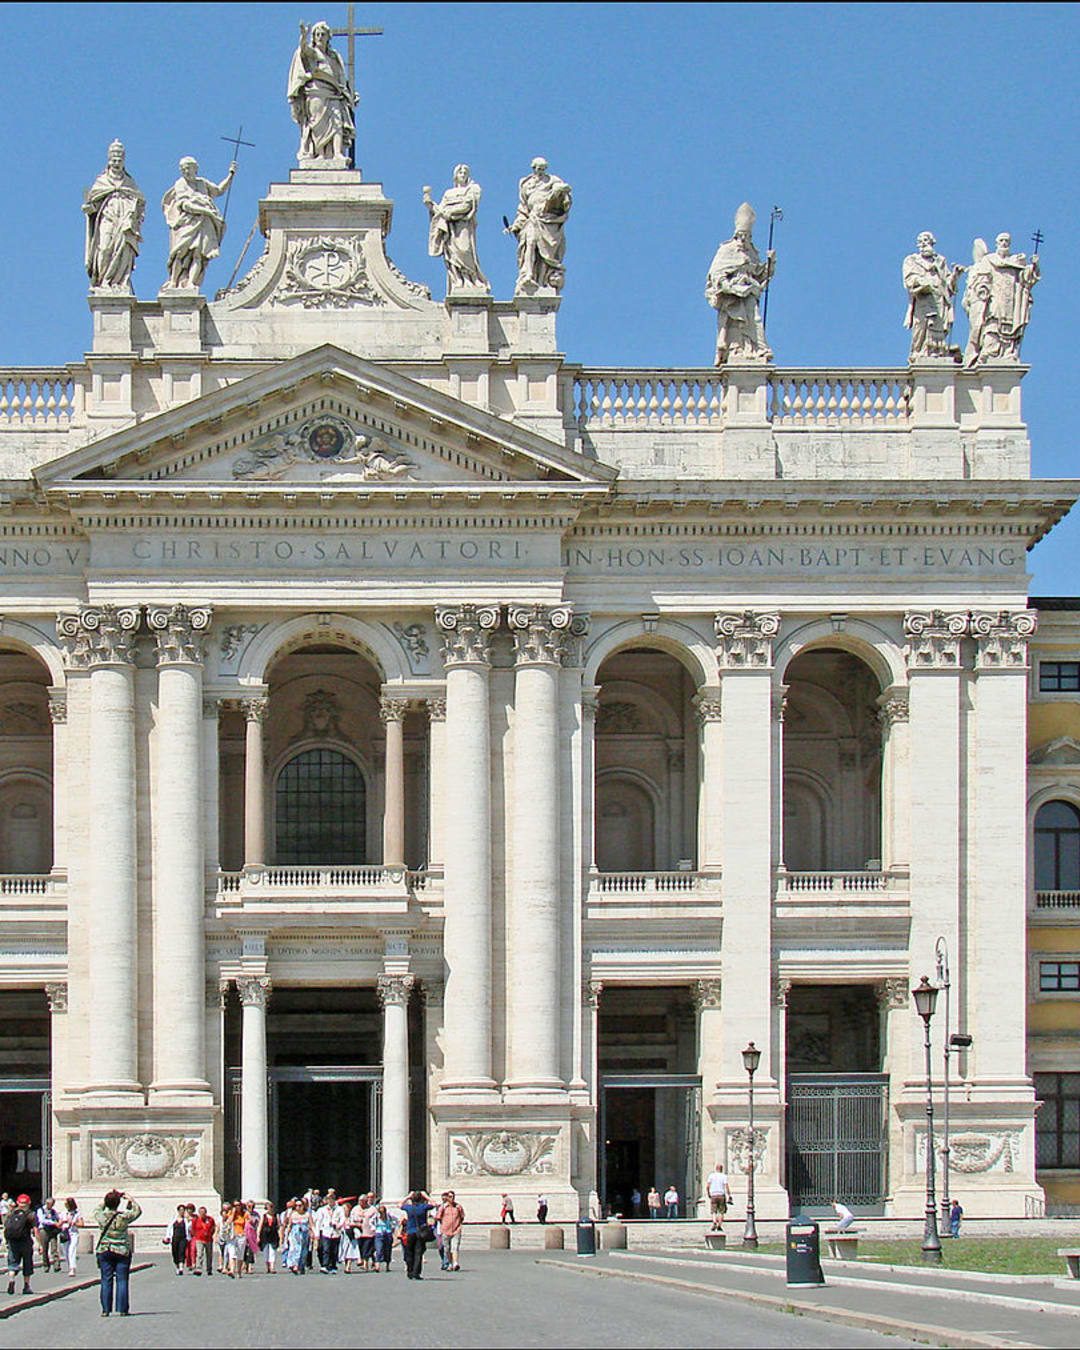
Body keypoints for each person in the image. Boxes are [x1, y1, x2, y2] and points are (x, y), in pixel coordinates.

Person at [705, 202, 775, 364]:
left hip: (749, 290)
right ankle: (736, 349)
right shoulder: (726, 250)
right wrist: (728, 286)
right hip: (732, 295)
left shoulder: (751, 252)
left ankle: (759, 349)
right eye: (742, 235)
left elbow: (761, 275)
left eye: (747, 236)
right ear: (737, 234)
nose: (744, 239)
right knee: (736, 325)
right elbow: (716, 273)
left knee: (755, 319)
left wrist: (771, 262)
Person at [161, 156, 235, 290]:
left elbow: (219, 190)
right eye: (183, 169)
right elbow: (185, 205)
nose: (186, 171)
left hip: (204, 223)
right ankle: (173, 281)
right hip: (188, 222)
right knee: (180, 252)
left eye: (188, 168)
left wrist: (230, 175)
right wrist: (207, 211)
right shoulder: (180, 184)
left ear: (195, 169)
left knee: (198, 254)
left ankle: (191, 283)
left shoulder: (202, 183)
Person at [288, 20, 355, 166]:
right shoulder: (313, 53)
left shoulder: (333, 57)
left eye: (323, 34)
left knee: (337, 123)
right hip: (316, 92)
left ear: (328, 37)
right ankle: (320, 154)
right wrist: (303, 36)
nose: (320, 36)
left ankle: (337, 154)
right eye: (317, 34)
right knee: (317, 124)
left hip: (334, 92)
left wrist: (348, 95)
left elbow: (341, 78)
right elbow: (303, 49)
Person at [82, 140, 145, 291]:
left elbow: (140, 200)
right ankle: (103, 281)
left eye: (119, 160)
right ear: (109, 162)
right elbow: (95, 201)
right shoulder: (102, 181)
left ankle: (118, 281)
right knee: (104, 248)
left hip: (124, 220)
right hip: (108, 217)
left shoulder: (129, 182)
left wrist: (135, 214)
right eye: (114, 160)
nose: (116, 163)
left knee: (122, 247)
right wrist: (91, 208)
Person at [507, 157, 573, 293]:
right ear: (533, 168)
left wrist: (561, 194)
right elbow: (523, 209)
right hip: (532, 219)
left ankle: (541, 279)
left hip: (548, 220)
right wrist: (516, 225)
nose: (541, 171)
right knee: (530, 242)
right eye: (539, 168)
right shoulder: (525, 184)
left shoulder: (553, 180)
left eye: (543, 169)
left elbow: (565, 194)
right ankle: (528, 274)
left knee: (543, 255)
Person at [424, 165, 489, 295]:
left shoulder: (472, 190)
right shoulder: (448, 193)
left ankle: (470, 279)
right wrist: (430, 205)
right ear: (455, 175)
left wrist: (450, 213)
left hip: (463, 225)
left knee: (465, 250)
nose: (463, 174)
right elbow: (440, 211)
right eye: (460, 172)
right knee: (452, 254)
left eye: (465, 172)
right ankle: (459, 279)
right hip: (450, 228)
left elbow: (467, 206)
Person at [902, 230, 964, 360]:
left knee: (938, 328)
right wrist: (922, 282)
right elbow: (909, 279)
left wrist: (955, 275)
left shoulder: (940, 261)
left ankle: (936, 352)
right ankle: (919, 352)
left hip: (939, 298)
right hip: (923, 299)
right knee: (921, 328)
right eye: (921, 241)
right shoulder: (911, 260)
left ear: (932, 242)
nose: (924, 243)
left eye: (927, 240)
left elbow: (948, 284)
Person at [93, 1190, 141, 1317]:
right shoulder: (122, 1217)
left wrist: (107, 1199)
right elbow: (137, 1212)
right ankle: (122, 1309)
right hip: (121, 1250)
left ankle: (105, 1309)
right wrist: (131, 1199)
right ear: (118, 1204)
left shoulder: (102, 1216)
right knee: (122, 1280)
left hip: (105, 1249)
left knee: (106, 1280)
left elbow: (96, 1210)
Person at [4, 1193, 37, 1296]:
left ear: (18, 1202)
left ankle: (11, 1279)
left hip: (13, 1242)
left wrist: (6, 1241)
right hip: (25, 1241)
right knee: (27, 1264)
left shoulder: (11, 1213)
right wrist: (39, 1244)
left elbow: (6, 1228)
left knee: (12, 1262)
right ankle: (26, 1286)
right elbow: (35, 1230)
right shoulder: (30, 1214)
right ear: (29, 1202)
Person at [400, 1191, 435, 1281]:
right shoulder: (423, 1207)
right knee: (418, 1253)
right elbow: (434, 1204)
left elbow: (399, 1204)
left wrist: (408, 1196)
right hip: (420, 1233)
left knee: (409, 1252)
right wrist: (426, 1196)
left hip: (410, 1232)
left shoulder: (409, 1208)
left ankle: (410, 1271)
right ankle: (416, 1273)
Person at [436, 1191, 465, 1273]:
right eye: (449, 1196)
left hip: (456, 1230)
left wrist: (459, 1225)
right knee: (447, 1249)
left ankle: (455, 1263)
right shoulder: (443, 1207)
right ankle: (450, 1263)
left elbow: (462, 1216)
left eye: (452, 1196)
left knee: (455, 1247)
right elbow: (438, 1217)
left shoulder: (458, 1207)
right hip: (445, 1230)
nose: (451, 1198)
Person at [36, 1197, 62, 1272]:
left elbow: (57, 1217)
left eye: (52, 1204)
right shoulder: (41, 1210)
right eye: (50, 1204)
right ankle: (46, 1265)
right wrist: (53, 1222)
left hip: (52, 1230)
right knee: (45, 1248)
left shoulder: (53, 1211)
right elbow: (42, 1220)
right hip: (44, 1230)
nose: (51, 1206)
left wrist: (59, 1221)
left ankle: (56, 1265)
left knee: (54, 1248)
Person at [705, 1164, 733, 1231]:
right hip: (721, 1195)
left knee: (713, 1211)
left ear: (716, 1169)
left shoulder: (711, 1176)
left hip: (713, 1195)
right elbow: (726, 1186)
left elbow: (707, 1186)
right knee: (721, 1211)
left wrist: (709, 1193)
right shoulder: (724, 1176)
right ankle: (719, 1225)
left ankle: (714, 1221)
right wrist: (729, 1195)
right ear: (722, 1169)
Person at [60, 1198, 82, 1277]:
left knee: (72, 1250)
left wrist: (73, 1222)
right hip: (65, 1233)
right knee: (66, 1251)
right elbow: (59, 1224)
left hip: (73, 1233)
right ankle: (70, 1266)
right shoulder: (63, 1213)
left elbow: (82, 1224)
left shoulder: (77, 1213)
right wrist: (63, 1221)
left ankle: (72, 1268)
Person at [191, 1205, 215, 1276]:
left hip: (208, 1239)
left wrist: (211, 1234)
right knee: (199, 1254)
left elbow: (213, 1228)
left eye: (204, 1212)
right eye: (201, 1212)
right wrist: (196, 1236)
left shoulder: (210, 1219)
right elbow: (193, 1230)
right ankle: (198, 1268)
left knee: (209, 1255)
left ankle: (209, 1269)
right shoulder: (195, 1220)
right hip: (199, 1239)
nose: (202, 1214)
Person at [165, 1204, 189, 1275]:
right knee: (175, 1253)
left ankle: (181, 1267)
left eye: (183, 1210)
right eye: (181, 1210)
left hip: (183, 1238)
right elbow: (169, 1228)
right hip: (175, 1238)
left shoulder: (186, 1220)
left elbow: (188, 1229)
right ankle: (177, 1267)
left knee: (182, 1252)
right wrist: (167, 1236)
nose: (182, 1212)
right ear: (178, 1211)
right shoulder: (173, 1219)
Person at [373, 1204, 395, 1272]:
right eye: (380, 1213)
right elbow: (371, 1222)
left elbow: (395, 1221)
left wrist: (393, 1227)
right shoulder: (376, 1217)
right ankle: (377, 1266)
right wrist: (374, 1229)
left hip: (387, 1233)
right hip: (379, 1234)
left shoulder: (389, 1216)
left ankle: (387, 1266)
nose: (382, 1214)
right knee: (379, 1250)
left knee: (388, 1250)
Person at [259, 1204, 280, 1273]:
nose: (269, 1209)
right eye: (267, 1208)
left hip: (273, 1234)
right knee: (266, 1251)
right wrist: (258, 1235)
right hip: (265, 1235)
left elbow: (279, 1226)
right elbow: (260, 1225)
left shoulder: (276, 1216)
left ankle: (272, 1267)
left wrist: (281, 1236)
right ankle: (267, 1267)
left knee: (272, 1251)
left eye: (271, 1208)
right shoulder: (264, 1216)